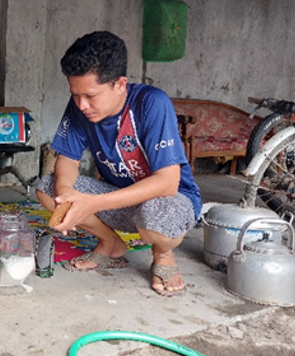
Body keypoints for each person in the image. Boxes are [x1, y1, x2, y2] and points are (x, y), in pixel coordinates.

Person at [36, 31, 202, 297]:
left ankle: (163, 254)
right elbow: (67, 159)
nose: (82, 105)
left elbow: (168, 183)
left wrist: (91, 203)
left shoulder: (151, 103)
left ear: (120, 84)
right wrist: (67, 194)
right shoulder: (79, 106)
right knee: (47, 188)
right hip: (119, 200)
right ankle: (111, 243)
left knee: (156, 216)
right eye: (75, 95)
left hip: (170, 200)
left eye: (91, 95)